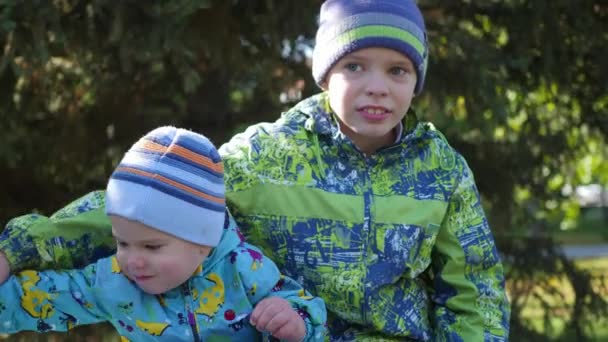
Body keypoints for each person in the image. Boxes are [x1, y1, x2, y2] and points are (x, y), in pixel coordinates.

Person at [0, 0, 510, 340]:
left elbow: (474, 287)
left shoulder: (441, 171)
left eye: (397, 70)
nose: (377, 86)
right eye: (355, 66)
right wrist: (18, 247)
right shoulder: (269, 157)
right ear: (325, 74)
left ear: (415, 81)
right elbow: (152, 202)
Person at [0, 126, 326, 341]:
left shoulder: (243, 269)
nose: (132, 260)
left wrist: (293, 322)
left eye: (152, 246)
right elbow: (44, 298)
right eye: (123, 242)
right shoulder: (113, 281)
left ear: (203, 241)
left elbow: (302, 307)